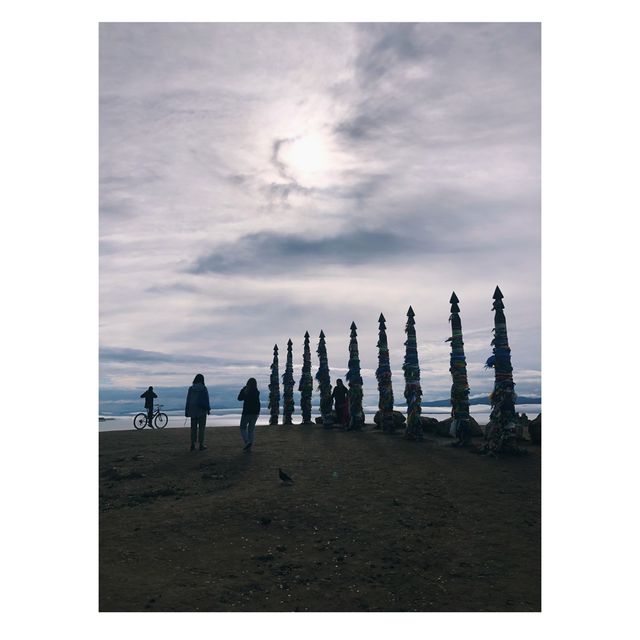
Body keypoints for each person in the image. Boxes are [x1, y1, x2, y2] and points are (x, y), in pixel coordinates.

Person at [185, 374, 211, 451]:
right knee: (201, 428)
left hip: (192, 410)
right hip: (202, 410)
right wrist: (208, 409)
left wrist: (187, 411)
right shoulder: (204, 388)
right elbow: (206, 399)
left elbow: (188, 400)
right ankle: (201, 445)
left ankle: (192, 445)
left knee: (193, 428)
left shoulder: (191, 388)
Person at [238, 378, 261, 451]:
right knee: (251, 430)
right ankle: (249, 448)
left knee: (242, 428)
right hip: (255, 413)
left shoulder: (246, 391)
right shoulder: (257, 392)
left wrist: (243, 390)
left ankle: (247, 442)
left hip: (247, 412)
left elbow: (239, 398)